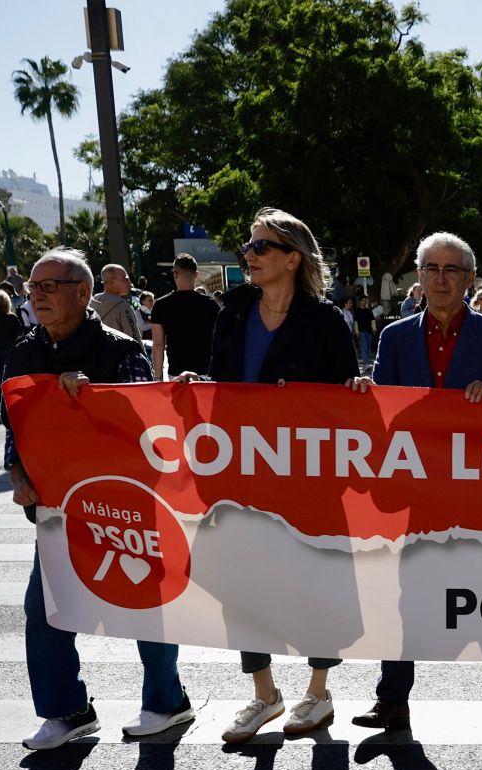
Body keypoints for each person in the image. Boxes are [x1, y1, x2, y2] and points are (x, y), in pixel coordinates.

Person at [0, 249, 191, 749]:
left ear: (82, 294)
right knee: (44, 609)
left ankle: (167, 701)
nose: (36, 295)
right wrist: (17, 473)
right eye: (32, 288)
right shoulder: (21, 354)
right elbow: (13, 430)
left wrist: (92, 400)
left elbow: (142, 428)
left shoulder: (119, 350)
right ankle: (67, 710)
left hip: (122, 504)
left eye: (48, 286)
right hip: (58, 511)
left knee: (146, 604)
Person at [194, 207, 359, 742]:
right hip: (241, 471)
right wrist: (196, 385)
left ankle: (318, 692)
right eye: (249, 245)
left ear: (293, 258)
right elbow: (221, 381)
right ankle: (264, 694)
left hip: (308, 478)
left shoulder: (326, 320)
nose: (250, 254)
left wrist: (350, 391)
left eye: (262, 246)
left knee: (317, 582)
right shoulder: (235, 308)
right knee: (242, 585)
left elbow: (342, 401)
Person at [352, 232, 482, 732]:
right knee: (408, 596)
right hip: (420, 493)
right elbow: (384, 405)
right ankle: (393, 699)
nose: (442, 278)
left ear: (470, 279)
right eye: (432, 269)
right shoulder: (396, 337)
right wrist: (364, 391)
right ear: (420, 278)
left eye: (452, 270)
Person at [149, 252, 220, 380]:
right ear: (196, 275)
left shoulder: (161, 305)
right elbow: (218, 339)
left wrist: (158, 377)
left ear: (175, 274)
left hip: (176, 373)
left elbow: (158, 344)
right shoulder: (211, 304)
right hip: (206, 373)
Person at [89, 263, 144, 342]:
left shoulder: (92, 303)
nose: (130, 283)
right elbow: (135, 339)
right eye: (125, 279)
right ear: (112, 282)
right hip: (120, 353)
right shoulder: (123, 306)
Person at [352, 293, 377, 372]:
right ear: (360, 301)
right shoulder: (357, 311)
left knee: (369, 347)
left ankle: (367, 363)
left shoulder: (369, 311)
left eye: (365, 301)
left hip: (369, 331)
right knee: (364, 347)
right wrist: (357, 332)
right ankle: (366, 364)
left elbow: (372, 320)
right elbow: (355, 322)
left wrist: (374, 329)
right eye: (363, 301)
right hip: (361, 332)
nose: (364, 302)